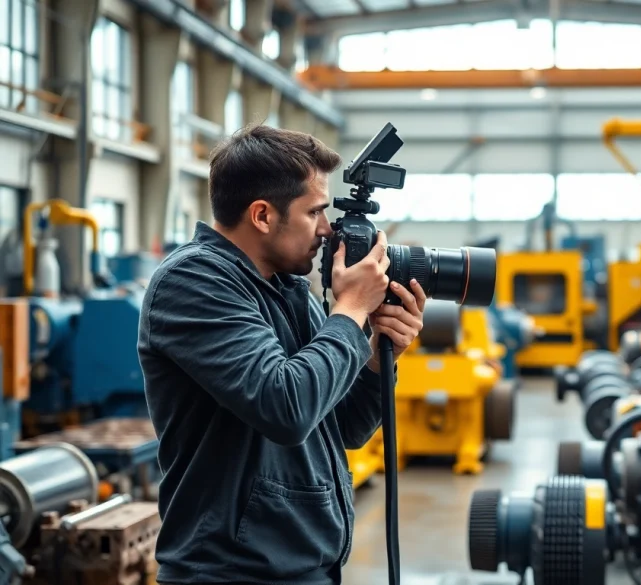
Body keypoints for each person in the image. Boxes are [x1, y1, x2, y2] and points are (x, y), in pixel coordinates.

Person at [138, 123, 426, 585]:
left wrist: (376, 356)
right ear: (262, 216)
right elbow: (286, 407)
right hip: (231, 573)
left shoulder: (289, 290)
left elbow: (343, 427)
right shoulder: (192, 282)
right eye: (314, 211)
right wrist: (351, 310)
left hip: (304, 566)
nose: (328, 229)